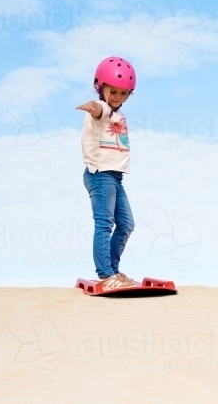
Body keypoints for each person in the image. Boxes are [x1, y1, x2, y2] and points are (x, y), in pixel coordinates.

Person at [76, 56, 138, 290]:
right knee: (104, 223)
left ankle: (112, 269)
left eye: (124, 93)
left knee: (126, 224)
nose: (118, 97)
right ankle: (104, 274)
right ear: (100, 87)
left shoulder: (120, 116)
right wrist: (92, 106)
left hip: (115, 177)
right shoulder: (101, 108)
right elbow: (97, 109)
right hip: (100, 174)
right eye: (113, 91)